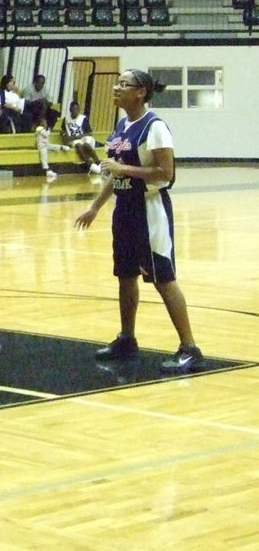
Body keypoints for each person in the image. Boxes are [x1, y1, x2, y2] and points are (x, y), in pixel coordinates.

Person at [74, 69, 203, 375]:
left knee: (162, 278)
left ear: (141, 91)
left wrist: (123, 168)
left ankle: (190, 348)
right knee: (125, 275)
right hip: (124, 210)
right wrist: (94, 206)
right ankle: (127, 338)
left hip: (149, 211)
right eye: (117, 83)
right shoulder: (122, 125)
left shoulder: (154, 127)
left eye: (123, 84)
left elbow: (165, 173)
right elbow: (114, 172)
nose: (116, 88)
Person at [60, 100, 102, 175]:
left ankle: (98, 162)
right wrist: (65, 137)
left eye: (77, 109)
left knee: (86, 145)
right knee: (78, 146)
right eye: (74, 109)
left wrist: (79, 136)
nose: (76, 111)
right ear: (70, 110)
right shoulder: (66, 119)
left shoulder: (83, 118)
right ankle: (90, 165)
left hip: (84, 137)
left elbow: (90, 133)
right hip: (74, 140)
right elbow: (63, 132)